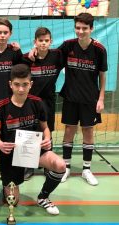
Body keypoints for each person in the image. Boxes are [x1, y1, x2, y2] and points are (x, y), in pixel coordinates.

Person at [0, 64, 66, 215]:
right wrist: (0, 144)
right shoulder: (0, 106)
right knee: (14, 201)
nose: (20, 89)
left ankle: (43, 197)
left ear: (30, 85)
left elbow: (45, 127)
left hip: (33, 150)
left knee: (60, 165)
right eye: (17, 85)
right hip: (10, 155)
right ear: (10, 84)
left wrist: (47, 138)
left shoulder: (37, 103)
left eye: (25, 85)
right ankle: (6, 185)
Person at [57, 13, 107, 185]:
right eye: (78, 28)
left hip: (90, 99)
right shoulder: (67, 46)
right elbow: (50, 58)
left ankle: (86, 169)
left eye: (84, 28)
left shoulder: (99, 49)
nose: (80, 31)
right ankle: (66, 167)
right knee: (69, 130)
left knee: (88, 131)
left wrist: (101, 99)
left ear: (91, 29)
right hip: (70, 97)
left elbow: (102, 76)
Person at [22, 27, 63, 181]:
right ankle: (29, 166)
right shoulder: (28, 58)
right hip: (31, 101)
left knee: (48, 131)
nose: (44, 43)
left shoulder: (57, 56)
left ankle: (47, 165)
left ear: (51, 42)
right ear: (35, 42)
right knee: (31, 132)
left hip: (48, 101)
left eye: (46, 41)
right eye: (40, 41)